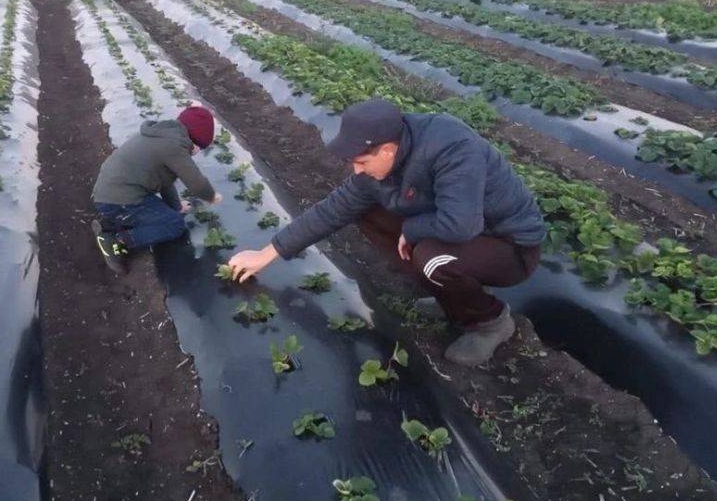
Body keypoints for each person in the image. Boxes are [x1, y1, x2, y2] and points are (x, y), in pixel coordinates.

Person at [227, 98, 545, 366]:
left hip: (510, 245)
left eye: (362, 161)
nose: (357, 170)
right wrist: (267, 253)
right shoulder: (384, 161)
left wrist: (413, 228)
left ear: (388, 151)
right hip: (463, 234)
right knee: (366, 211)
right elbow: (332, 209)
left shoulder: (453, 149)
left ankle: (491, 323)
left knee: (431, 257)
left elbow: (463, 224)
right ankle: (451, 296)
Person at [91, 105, 222, 273]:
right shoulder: (174, 147)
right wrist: (211, 196)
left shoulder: (162, 136)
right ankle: (117, 241)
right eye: (200, 147)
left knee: (171, 213)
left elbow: (165, 182)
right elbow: (196, 183)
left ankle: (111, 222)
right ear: (195, 141)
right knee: (174, 224)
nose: (197, 152)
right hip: (119, 200)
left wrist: (177, 206)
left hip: (112, 193)